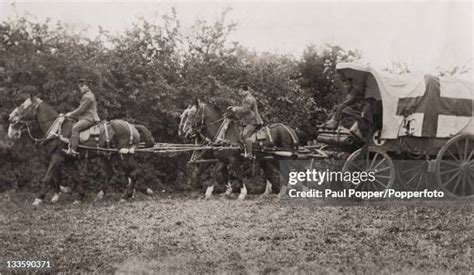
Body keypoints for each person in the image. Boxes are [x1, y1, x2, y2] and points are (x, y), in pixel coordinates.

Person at [64, 79, 100, 156]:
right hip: (86, 117)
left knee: (75, 128)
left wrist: (70, 114)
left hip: (90, 118)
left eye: (82, 86)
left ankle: (73, 150)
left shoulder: (88, 97)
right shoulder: (87, 95)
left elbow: (81, 109)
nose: (80, 88)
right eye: (80, 86)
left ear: (87, 86)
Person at [228, 82, 263, 159]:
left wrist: (235, 109)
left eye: (240, 91)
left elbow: (246, 110)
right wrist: (233, 110)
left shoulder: (248, 99)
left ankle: (250, 154)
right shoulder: (246, 98)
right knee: (240, 134)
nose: (239, 92)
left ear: (244, 91)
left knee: (245, 134)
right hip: (248, 121)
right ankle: (245, 151)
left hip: (253, 121)